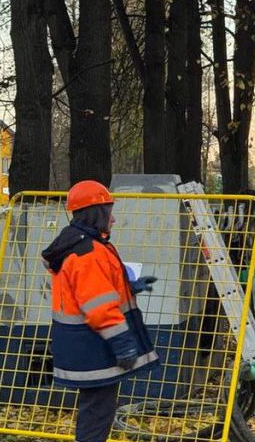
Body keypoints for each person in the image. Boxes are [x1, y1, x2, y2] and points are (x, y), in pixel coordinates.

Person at [41, 180, 160, 442]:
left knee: (97, 412)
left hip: (84, 345)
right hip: (93, 347)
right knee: (97, 416)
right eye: (109, 211)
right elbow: (99, 307)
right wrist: (123, 344)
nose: (113, 219)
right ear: (97, 213)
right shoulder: (89, 253)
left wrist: (129, 287)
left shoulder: (79, 246)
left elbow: (95, 290)